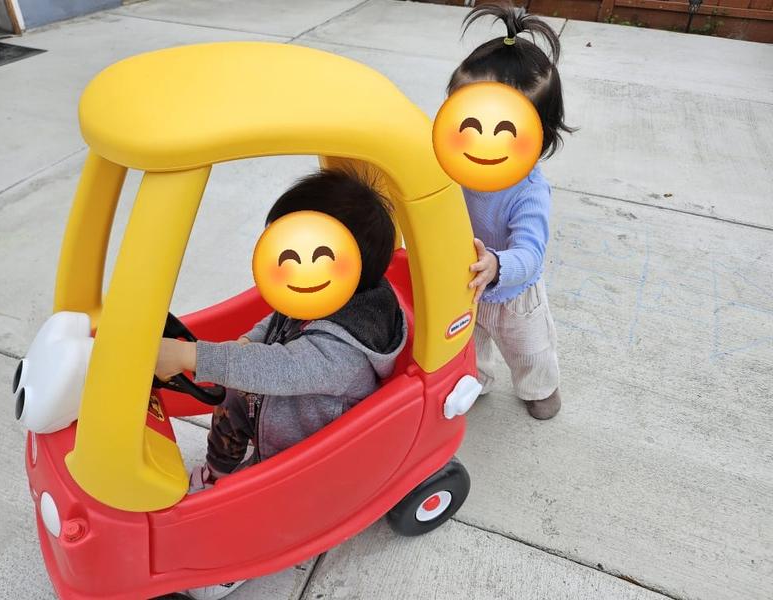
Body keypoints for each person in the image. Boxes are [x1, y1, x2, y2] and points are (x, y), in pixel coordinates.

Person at [154, 169, 407, 600]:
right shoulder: (320, 291)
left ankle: (234, 559)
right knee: (231, 402)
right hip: (271, 413)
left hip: (306, 445)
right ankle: (217, 474)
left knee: (259, 501)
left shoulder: (342, 351)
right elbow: (274, 322)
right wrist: (247, 343)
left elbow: (283, 368)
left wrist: (193, 356)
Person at [455, 3, 574, 419]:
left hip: (513, 292)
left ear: (539, 139)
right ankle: (478, 379)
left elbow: (531, 252)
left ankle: (540, 386)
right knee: (469, 342)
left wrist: (497, 265)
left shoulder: (529, 193)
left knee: (529, 348)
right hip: (468, 283)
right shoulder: (455, 168)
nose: (478, 144)